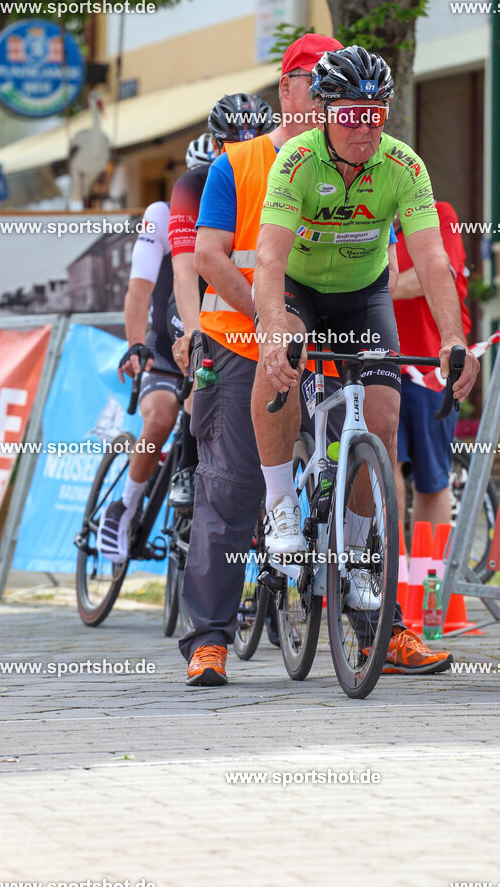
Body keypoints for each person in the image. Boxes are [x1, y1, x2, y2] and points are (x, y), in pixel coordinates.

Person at [251, 44, 479, 674]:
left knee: (380, 414)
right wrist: (273, 332)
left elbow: (433, 259)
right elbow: (268, 258)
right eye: (351, 114)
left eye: (375, 114)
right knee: (282, 369)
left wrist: (452, 339)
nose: (364, 127)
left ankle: (355, 562)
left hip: (362, 295)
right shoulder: (296, 162)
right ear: (323, 112)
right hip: (299, 291)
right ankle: (280, 511)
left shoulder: (404, 165)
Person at [179, 34, 344, 686]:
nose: (329, 99)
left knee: (354, 473)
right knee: (231, 489)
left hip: (323, 342)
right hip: (241, 343)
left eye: (339, 87)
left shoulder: (351, 163)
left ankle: (376, 626)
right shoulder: (239, 163)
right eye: (315, 83)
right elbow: (209, 255)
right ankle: (209, 639)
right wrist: (271, 319)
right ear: (287, 88)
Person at [168, 97, 275, 508]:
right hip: (198, 299)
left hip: (257, 307)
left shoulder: (283, 171)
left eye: (254, 141)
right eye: (233, 143)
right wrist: (193, 332)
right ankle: (185, 466)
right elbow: (185, 269)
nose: (243, 151)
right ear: (216, 145)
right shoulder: (195, 183)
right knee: (200, 376)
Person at [96, 197, 182, 561]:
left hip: (213, 351)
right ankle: (125, 506)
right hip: (162, 349)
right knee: (162, 416)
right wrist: (134, 345)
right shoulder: (162, 214)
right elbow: (139, 289)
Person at [392, 203, 471, 544]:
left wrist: (370, 289)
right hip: (379, 364)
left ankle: (428, 584)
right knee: (383, 466)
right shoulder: (363, 221)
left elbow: (435, 275)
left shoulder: (440, 215)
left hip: (430, 366)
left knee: (431, 479)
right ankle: (388, 575)